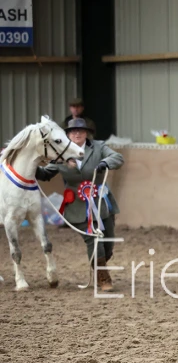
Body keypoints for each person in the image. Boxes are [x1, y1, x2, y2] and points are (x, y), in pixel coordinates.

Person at [36, 117, 124, 290]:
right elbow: (46, 174)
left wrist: (105, 162)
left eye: (81, 131)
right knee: (94, 239)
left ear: (87, 133)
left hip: (101, 202)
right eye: (73, 131)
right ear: (68, 134)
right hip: (77, 206)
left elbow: (118, 157)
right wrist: (31, 166)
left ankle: (99, 262)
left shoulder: (99, 147)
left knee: (108, 244)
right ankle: (103, 278)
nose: (77, 133)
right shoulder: (60, 154)